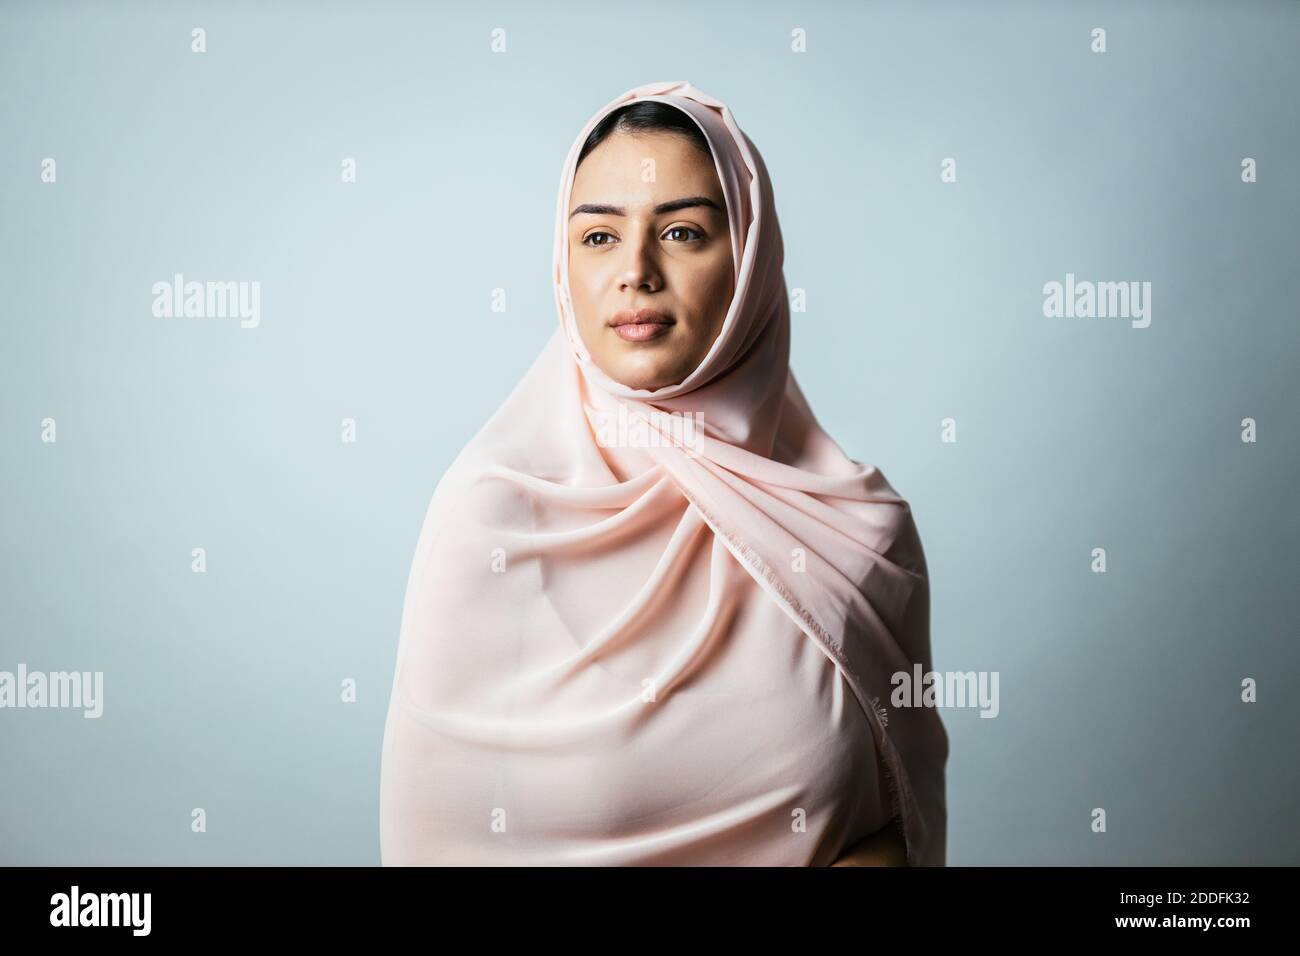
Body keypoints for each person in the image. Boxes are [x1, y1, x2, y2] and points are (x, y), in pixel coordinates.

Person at [379, 80, 948, 866]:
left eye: (681, 232)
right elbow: (436, 838)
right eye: (600, 237)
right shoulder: (496, 515)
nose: (636, 272)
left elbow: (896, 827)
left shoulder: (857, 532)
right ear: (562, 262)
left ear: (751, 258)